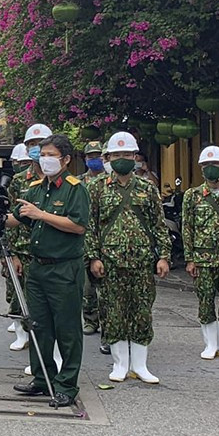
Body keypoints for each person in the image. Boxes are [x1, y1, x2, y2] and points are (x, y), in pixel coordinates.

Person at [9, 134, 89, 408]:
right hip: (38, 268)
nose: (45, 160)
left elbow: (77, 225)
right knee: (39, 326)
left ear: (65, 159)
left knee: (67, 330)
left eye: (51, 155)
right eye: (42, 154)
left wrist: (40, 214)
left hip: (64, 268)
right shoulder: (36, 187)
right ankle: (42, 379)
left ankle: (66, 384)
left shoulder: (75, 188)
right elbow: (17, 218)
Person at [87, 131, 170, 385]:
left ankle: (140, 365)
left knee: (142, 312)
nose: (122, 159)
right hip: (110, 262)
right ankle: (120, 364)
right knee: (114, 313)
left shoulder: (147, 188)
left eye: (127, 154)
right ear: (108, 158)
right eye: (117, 155)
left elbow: (159, 225)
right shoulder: (96, 187)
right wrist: (93, 257)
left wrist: (163, 256)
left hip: (143, 261)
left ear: (135, 157)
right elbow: (90, 225)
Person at [182, 145, 219, 362]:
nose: (211, 169)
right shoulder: (192, 195)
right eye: (206, 165)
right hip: (203, 258)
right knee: (205, 300)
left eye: (215, 165)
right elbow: (187, 227)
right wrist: (189, 258)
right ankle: (210, 344)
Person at [8, 125, 51, 352]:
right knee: (18, 295)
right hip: (23, 249)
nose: (36, 149)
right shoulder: (18, 181)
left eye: (41, 143)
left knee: (45, 303)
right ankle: (21, 334)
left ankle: (43, 346)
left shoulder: (63, 181)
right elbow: (10, 219)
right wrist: (12, 253)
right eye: (32, 145)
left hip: (52, 252)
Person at [79, 140, 107, 335]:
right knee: (86, 287)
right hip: (82, 240)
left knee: (105, 287)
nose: (94, 160)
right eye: (91, 156)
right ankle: (90, 319)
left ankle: (107, 321)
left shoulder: (109, 181)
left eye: (98, 156)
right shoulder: (79, 181)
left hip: (104, 239)